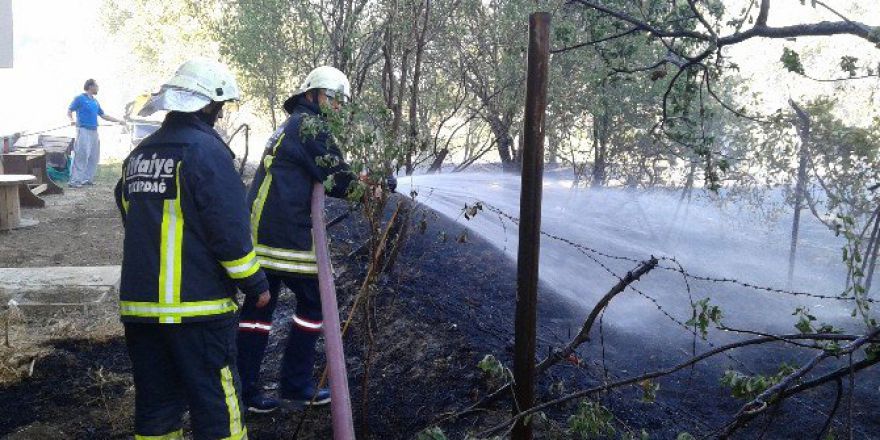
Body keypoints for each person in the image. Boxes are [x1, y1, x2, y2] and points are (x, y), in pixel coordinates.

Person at [114, 58, 271, 440]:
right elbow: (230, 234)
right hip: (197, 311)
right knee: (218, 408)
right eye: (219, 107)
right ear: (208, 106)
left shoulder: (139, 156)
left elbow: (130, 216)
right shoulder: (206, 152)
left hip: (141, 311)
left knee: (156, 410)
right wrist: (256, 284)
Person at [236, 66, 358, 413]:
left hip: (266, 225)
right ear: (311, 95)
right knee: (313, 303)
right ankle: (296, 385)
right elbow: (336, 178)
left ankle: (245, 391)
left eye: (340, 102)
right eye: (332, 98)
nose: (336, 107)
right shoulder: (310, 125)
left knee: (259, 309)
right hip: (283, 231)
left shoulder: (294, 124)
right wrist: (371, 185)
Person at [67, 79, 124, 188]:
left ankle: (87, 179)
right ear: (90, 86)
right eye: (96, 86)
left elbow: (103, 115)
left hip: (94, 131)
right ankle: (74, 181)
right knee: (82, 155)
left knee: (94, 156)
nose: (98, 88)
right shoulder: (80, 98)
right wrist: (71, 120)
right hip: (83, 130)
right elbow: (69, 111)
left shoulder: (95, 101)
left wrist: (118, 120)